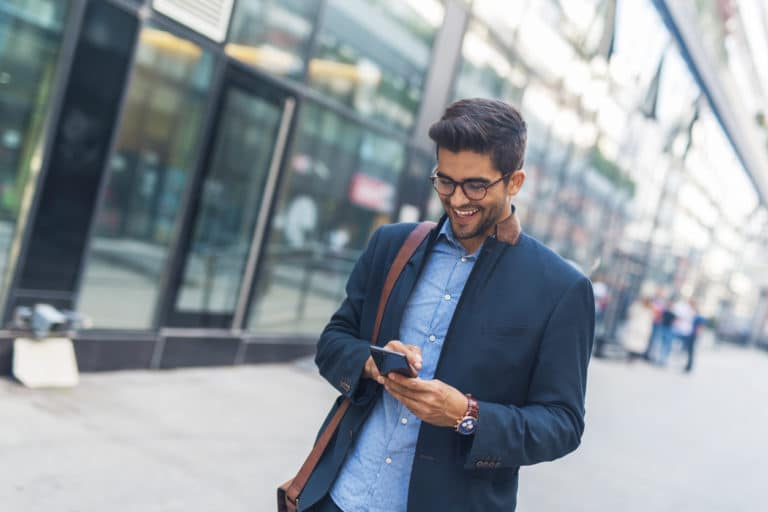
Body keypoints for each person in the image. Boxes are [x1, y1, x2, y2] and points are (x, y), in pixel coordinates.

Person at [302, 98, 595, 511]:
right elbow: (332, 342)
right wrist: (374, 362)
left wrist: (467, 413)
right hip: (339, 495)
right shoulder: (392, 245)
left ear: (515, 182)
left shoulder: (561, 289)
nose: (457, 200)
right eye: (445, 181)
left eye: (476, 185)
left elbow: (562, 423)